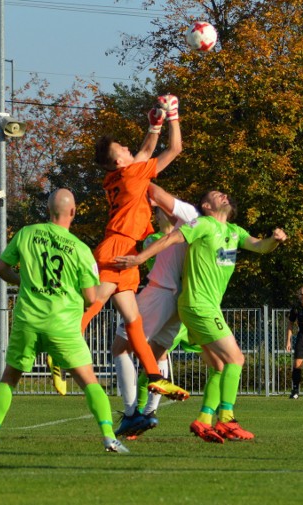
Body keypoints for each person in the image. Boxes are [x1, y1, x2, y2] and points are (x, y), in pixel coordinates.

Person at [116, 190, 287, 443]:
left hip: (207, 307)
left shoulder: (234, 232)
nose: (225, 195)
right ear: (206, 206)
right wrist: (139, 258)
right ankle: (226, 419)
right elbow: (171, 238)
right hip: (198, 305)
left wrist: (274, 239)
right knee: (236, 359)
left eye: (226, 194)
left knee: (219, 366)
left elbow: (260, 246)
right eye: (218, 195)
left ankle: (204, 420)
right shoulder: (203, 224)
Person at [0, 189, 128, 454]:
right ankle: (109, 438)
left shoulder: (27, 233)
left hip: (28, 319)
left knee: (9, 378)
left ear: (49, 210)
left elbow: (0, 268)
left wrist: (23, 281)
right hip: (62, 325)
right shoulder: (81, 250)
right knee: (89, 382)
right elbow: (90, 297)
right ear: (72, 212)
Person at [71, 94, 188, 402]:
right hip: (118, 245)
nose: (128, 148)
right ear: (121, 161)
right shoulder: (132, 174)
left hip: (125, 246)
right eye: (123, 148)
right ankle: (66, 342)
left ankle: (155, 377)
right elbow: (172, 149)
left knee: (133, 319)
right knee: (94, 299)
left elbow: (145, 150)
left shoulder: (118, 175)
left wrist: (154, 123)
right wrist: (171, 116)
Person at [111, 184, 199, 439]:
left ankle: (131, 414)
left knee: (121, 347)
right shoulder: (192, 232)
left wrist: (137, 179)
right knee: (158, 352)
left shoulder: (180, 228)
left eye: (159, 211)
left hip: (159, 292)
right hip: (179, 299)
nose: (156, 214)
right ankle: (149, 411)